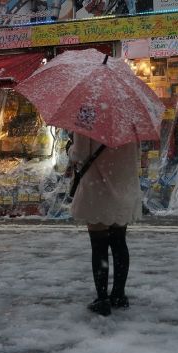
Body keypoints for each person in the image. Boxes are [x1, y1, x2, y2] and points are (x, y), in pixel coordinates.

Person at [68, 132, 142, 316]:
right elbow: (136, 153)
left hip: (98, 187)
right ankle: (118, 294)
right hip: (123, 186)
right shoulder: (129, 119)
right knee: (119, 242)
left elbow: (80, 154)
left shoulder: (87, 114)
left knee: (99, 246)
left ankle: (102, 299)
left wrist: (70, 149)